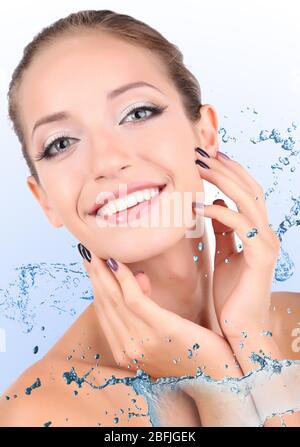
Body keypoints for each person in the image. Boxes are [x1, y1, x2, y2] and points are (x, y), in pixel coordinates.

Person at [0, 9, 299, 427]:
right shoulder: (43, 410)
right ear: (45, 199)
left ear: (205, 135)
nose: (107, 160)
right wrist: (210, 375)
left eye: (137, 113)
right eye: (61, 143)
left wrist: (249, 339)